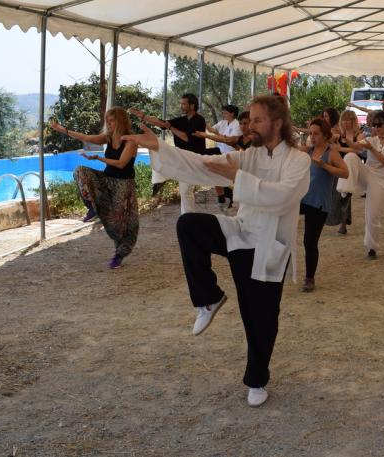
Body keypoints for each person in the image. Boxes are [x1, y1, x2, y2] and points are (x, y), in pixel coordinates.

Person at [123, 95, 311, 407]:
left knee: (260, 319)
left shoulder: (298, 161)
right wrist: (160, 147)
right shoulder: (248, 156)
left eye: (258, 119)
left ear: (278, 123)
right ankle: (209, 297)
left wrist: (236, 177)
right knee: (189, 225)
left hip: (267, 248)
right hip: (240, 232)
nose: (250, 124)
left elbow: (282, 197)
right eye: (249, 118)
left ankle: (256, 380)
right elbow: (203, 165)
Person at [50, 108, 139, 269]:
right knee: (80, 170)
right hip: (107, 179)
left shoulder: (131, 141)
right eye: (107, 121)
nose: (108, 124)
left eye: (111, 120)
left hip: (124, 185)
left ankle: (119, 254)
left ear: (120, 121)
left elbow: (121, 164)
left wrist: (99, 157)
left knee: (121, 223)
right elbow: (86, 137)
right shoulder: (108, 137)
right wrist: (63, 130)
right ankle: (92, 206)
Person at [337, 111, 384, 259]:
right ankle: (345, 192)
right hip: (368, 174)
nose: (376, 127)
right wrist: (347, 134)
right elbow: (355, 147)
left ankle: (372, 248)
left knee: (373, 216)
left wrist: (371, 149)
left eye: (379, 124)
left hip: (382, 181)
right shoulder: (371, 139)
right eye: (374, 124)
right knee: (351, 156)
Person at [130, 94, 207, 214]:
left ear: (192, 105)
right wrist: (144, 116)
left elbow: (186, 138)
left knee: (185, 191)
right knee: (159, 150)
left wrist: (171, 128)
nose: (181, 106)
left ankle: (188, 217)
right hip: (181, 157)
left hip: (193, 160)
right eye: (180, 103)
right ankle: (159, 181)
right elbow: (162, 123)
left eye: (184, 104)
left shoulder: (199, 120)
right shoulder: (182, 120)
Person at [300, 118, 349, 292]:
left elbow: (345, 173)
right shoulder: (307, 151)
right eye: (310, 133)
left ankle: (309, 278)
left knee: (309, 242)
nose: (312, 137)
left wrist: (325, 165)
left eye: (316, 134)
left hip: (318, 202)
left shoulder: (331, 153)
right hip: (301, 199)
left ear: (326, 135)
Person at [326, 110, 365, 235]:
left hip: (352, 169)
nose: (346, 122)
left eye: (349, 120)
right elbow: (328, 140)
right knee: (339, 197)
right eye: (344, 120)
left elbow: (359, 149)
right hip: (340, 169)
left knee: (344, 195)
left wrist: (341, 148)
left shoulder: (359, 134)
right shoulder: (339, 134)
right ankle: (341, 224)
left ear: (354, 121)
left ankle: (342, 226)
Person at [196, 104, 241, 206]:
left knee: (222, 175)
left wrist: (212, 136)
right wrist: (202, 120)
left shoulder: (236, 125)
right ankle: (224, 196)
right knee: (211, 169)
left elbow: (229, 140)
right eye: (223, 112)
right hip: (219, 151)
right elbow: (211, 130)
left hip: (230, 154)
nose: (223, 114)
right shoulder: (223, 123)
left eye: (225, 112)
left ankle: (228, 195)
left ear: (232, 113)